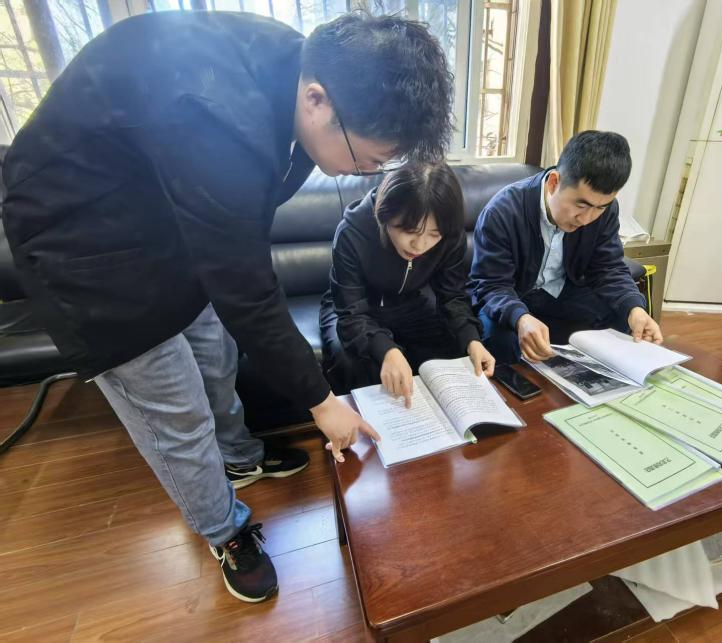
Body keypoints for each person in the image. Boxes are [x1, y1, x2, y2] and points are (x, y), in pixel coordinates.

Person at [1, 10, 454, 603]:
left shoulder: (297, 65)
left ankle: (239, 456)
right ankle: (224, 530)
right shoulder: (214, 118)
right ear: (318, 100)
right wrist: (322, 403)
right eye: (367, 159)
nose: (368, 173)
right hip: (85, 249)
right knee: (178, 414)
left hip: (165, 223)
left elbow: (235, 253)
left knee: (215, 358)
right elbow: (246, 288)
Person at [469, 130, 663, 365]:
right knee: (501, 339)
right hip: (512, 294)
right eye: (581, 205)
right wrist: (520, 317)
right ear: (554, 183)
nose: (587, 219)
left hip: (563, 293)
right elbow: (492, 285)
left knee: (624, 317)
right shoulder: (503, 211)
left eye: (600, 207)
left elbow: (608, 268)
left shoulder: (606, 211)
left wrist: (634, 309)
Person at [320, 163, 495, 405]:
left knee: (456, 351)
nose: (420, 246)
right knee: (351, 362)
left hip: (409, 303)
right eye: (410, 230)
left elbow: (453, 295)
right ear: (384, 214)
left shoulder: (450, 235)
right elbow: (351, 314)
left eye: (434, 234)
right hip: (352, 308)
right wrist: (387, 350)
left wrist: (471, 339)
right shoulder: (353, 232)